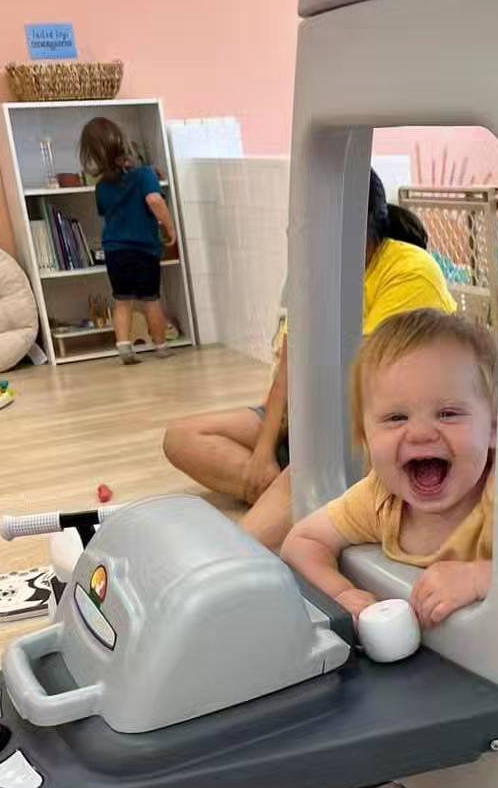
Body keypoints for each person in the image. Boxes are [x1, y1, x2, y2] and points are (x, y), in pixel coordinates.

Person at [163, 169, 457, 548]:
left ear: (363, 225)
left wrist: (303, 453)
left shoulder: (410, 269)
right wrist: (264, 451)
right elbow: (292, 360)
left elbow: (360, 382)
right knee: (181, 438)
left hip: (366, 425)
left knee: (292, 489)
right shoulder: (314, 270)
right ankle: (305, 495)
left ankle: (295, 500)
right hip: (311, 423)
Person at [282, 309, 497, 629]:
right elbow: (301, 543)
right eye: (397, 418)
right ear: (364, 438)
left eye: (448, 413)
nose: (421, 433)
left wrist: (480, 577)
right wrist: (341, 594)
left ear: (495, 428)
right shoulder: (380, 499)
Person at [79, 118, 176, 364]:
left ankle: (124, 348)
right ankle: (161, 346)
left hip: (115, 251)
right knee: (151, 300)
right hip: (144, 249)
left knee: (122, 301)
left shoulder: (101, 187)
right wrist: (169, 227)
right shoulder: (145, 175)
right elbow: (154, 200)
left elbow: (106, 212)